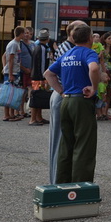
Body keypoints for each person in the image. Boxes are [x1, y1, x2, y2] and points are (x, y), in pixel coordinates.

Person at [43, 22, 100, 183]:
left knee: (65, 144)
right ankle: (81, 186)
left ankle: (62, 183)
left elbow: (48, 74)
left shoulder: (66, 54)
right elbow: (94, 69)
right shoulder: (88, 53)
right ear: (90, 38)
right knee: (84, 145)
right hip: (81, 102)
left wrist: (61, 91)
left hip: (65, 101)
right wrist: (93, 87)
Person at [29, 28, 54, 125]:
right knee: (36, 96)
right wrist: (43, 77)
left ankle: (39, 117)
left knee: (38, 96)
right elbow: (42, 64)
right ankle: (33, 119)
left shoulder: (37, 47)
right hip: (39, 77)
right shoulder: (43, 49)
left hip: (36, 75)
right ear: (47, 39)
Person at [2, 26, 26, 122]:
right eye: (24, 33)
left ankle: (12, 114)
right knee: (8, 93)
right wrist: (10, 73)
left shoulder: (17, 43)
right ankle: (6, 114)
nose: (25, 35)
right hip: (12, 72)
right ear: (20, 34)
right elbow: (10, 59)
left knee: (13, 93)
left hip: (16, 71)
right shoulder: (13, 44)